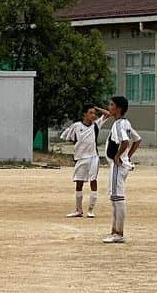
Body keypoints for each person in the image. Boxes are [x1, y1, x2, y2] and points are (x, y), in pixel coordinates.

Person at [98, 96, 142, 244]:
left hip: (117, 166)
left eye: (111, 105)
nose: (109, 107)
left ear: (119, 108)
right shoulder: (125, 123)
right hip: (121, 165)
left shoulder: (118, 124)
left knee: (118, 198)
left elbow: (124, 142)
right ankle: (114, 231)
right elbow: (137, 139)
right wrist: (127, 156)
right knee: (115, 198)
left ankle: (119, 233)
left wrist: (118, 156)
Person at [60, 106, 101, 218]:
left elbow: (107, 114)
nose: (93, 115)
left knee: (93, 180)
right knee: (79, 183)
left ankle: (91, 210)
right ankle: (78, 210)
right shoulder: (77, 126)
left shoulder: (96, 125)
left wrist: (97, 107)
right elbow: (67, 137)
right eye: (90, 113)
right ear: (84, 114)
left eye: (94, 113)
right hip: (81, 158)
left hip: (93, 157)